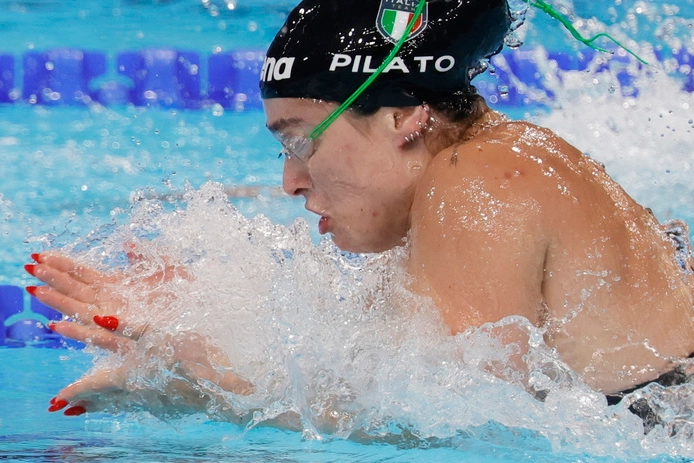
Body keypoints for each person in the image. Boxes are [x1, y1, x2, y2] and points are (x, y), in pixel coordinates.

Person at [26, 0, 694, 423]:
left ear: (403, 115)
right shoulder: (478, 169)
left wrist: (210, 380)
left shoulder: (479, 183)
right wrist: (209, 329)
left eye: (300, 139)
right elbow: (403, 381)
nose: (290, 180)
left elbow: (465, 422)